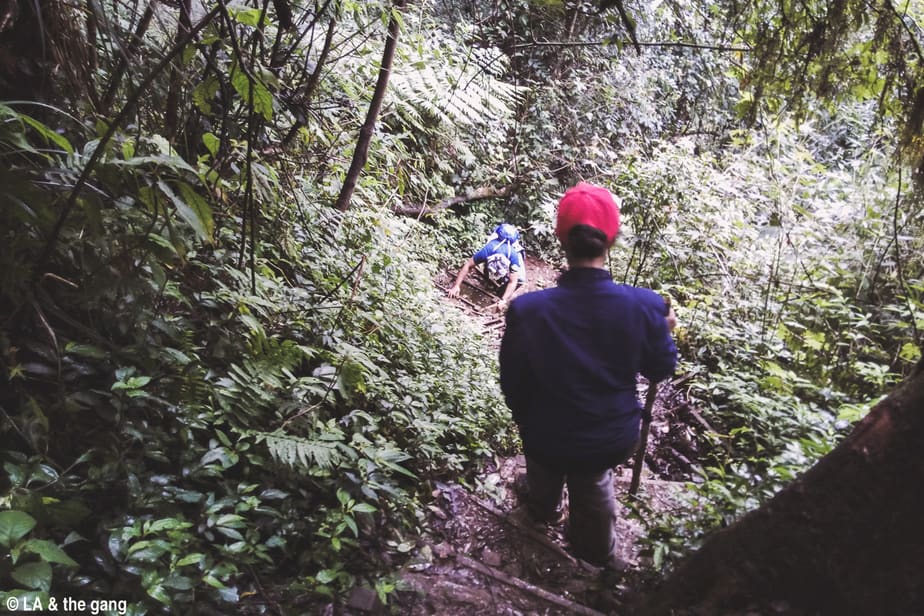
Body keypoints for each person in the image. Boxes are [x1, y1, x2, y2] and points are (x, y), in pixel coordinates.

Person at [499, 182, 677, 569]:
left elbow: (512, 380)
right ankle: (599, 556)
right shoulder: (645, 305)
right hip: (608, 439)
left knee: (543, 468)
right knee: (593, 479)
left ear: (561, 237)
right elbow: (660, 368)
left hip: (545, 432)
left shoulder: (528, 309)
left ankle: (543, 510)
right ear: (610, 239)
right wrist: (665, 329)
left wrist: (527, 419)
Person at [447, 223, 526, 308]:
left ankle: (501, 293)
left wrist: (503, 299)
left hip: (511, 257)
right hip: (493, 255)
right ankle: (489, 279)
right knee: (491, 271)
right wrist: (457, 285)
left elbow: (513, 281)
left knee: (520, 279)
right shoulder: (489, 249)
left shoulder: (514, 255)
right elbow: (468, 265)